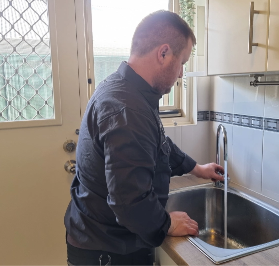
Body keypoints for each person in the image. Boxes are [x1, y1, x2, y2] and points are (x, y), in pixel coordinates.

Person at [64, 10, 225, 266]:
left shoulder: (127, 91)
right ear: (163, 53)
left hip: (97, 238)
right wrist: (167, 223)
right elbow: (129, 202)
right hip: (108, 252)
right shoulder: (128, 109)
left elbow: (159, 144)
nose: (182, 73)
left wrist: (197, 168)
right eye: (182, 62)